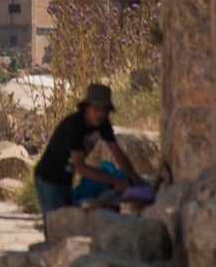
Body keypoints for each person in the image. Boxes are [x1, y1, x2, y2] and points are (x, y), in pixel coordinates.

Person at [31, 82, 138, 212]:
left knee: (68, 228)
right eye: (96, 108)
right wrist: (115, 181)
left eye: (105, 109)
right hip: (48, 181)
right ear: (86, 107)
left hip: (65, 181)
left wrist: (131, 174)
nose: (100, 113)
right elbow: (80, 167)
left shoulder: (103, 124)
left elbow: (117, 153)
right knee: (58, 228)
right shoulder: (74, 125)